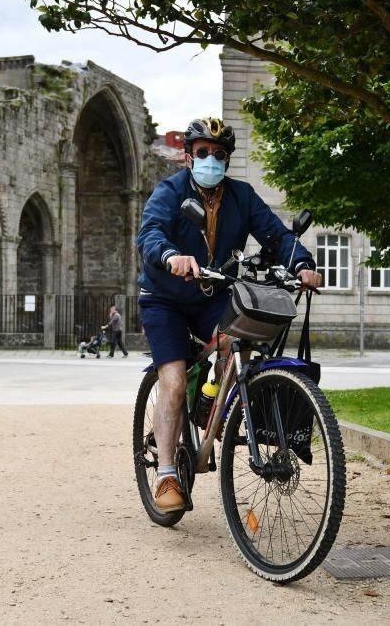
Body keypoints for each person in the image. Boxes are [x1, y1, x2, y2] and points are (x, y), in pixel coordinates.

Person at [137, 117, 322, 514]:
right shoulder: (169, 192)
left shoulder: (241, 196)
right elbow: (150, 234)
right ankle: (167, 473)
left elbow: (277, 235)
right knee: (171, 383)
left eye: (219, 154)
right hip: (165, 298)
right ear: (188, 157)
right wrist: (171, 256)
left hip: (211, 294)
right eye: (203, 152)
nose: (211, 159)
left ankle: (209, 406)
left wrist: (302, 264)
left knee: (238, 344)